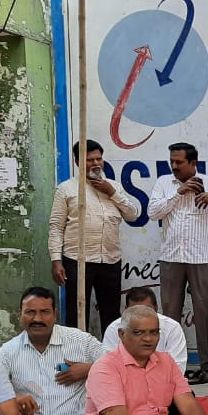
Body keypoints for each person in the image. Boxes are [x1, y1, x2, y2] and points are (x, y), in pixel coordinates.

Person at [148, 142, 208, 384]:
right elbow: (153, 213)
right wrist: (179, 192)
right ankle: (169, 367)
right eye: (172, 161)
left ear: (193, 163)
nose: (174, 166)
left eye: (179, 162)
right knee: (169, 314)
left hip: (202, 258)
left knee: (205, 313)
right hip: (171, 258)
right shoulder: (164, 183)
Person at [0, 287, 106, 415]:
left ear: (55, 314)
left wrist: (88, 369)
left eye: (44, 312)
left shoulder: (80, 340)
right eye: (30, 312)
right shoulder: (8, 351)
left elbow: (115, 364)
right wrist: (14, 397)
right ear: (20, 314)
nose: (37, 319)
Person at [48, 139, 140, 333]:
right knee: (77, 314)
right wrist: (56, 260)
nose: (96, 163)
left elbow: (133, 215)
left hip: (110, 260)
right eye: (90, 160)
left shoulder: (114, 187)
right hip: (77, 260)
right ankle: (77, 351)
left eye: (99, 159)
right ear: (78, 162)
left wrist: (112, 192)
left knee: (111, 315)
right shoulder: (66, 189)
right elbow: (56, 227)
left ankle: (110, 352)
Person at [102, 286, 188, 372]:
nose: (142, 316)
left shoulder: (172, 328)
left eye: (147, 310)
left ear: (156, 308)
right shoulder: (114, 329)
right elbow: (110, 365)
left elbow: (177, 369)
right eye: (135, 311)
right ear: (126, 310)